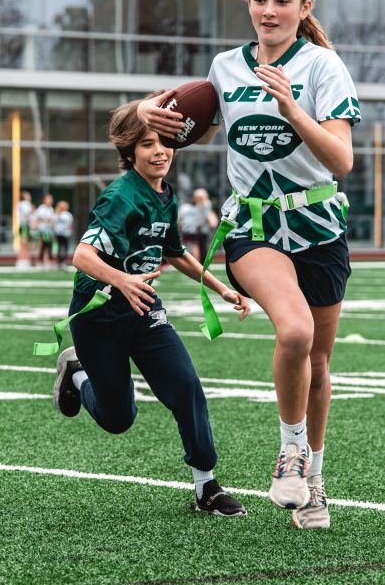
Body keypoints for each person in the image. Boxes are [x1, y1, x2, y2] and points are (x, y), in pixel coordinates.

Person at [138, 0, 359, 529]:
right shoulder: (225, 68)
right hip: (253, 228)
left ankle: (313, 482)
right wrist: (145, 113)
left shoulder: (323, 67)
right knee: (295, 330)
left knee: (318, 359)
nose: (269, 10)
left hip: (319, 228)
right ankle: (290, 451)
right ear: (249, 3)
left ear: (303, 7)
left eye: (282, 0)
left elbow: (341, 159)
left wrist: (291, 108)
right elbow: (181, 128)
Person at [50, 95, 253, 516]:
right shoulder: (120, 196)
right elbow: (83, 257)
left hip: (144, 310)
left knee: (186, 388)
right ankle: (77, 372)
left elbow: (175, 252)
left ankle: (206, 487)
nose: (158, 151)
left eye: (164, 142)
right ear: (130, 152)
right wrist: (121, 279)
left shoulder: (165, 194)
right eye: (146, 144)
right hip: (99, 313)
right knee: (117, 419)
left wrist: (221, 288)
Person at [176, 188, 210, 262]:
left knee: (195, 247)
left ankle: (195, 263)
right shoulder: (185, 207)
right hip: (188, 230)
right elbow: (178, 219)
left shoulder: (205, 206)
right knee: (188, 247)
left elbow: (210, 220)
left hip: (198, 231)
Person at [32, 194, 55, 267]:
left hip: (49, 230)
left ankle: (48, 260)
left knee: (49, 245)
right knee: (43, 245)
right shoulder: (41, 208)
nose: (50, 200)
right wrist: (48, 219)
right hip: (43, 230)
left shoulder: (51, 208)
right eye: (48, 199)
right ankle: (40, 260)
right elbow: (40, 217)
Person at [51, 200, 74, 268]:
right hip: (59, 233)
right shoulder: (58, 214)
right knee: (61, 247)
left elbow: (69, 224)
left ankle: (62, 261)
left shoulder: (67, 214)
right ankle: (60, 261)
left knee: (63, 247)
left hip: (64, 233)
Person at [16, 190, 35, 268]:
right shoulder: (26, 204)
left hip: (22, 225)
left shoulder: (19, 204)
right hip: (25, 225)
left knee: (23, 243)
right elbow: (26, 214)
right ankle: (25, 260)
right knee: (26, 244)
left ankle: (23, 260)